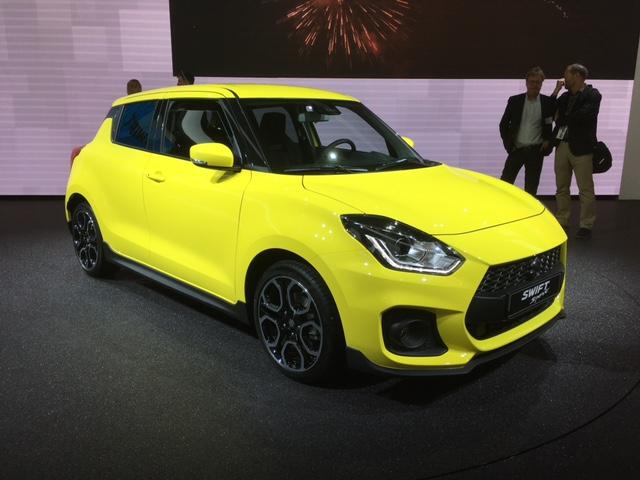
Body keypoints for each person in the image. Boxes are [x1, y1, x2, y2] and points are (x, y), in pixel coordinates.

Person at [553, 63, 601, 239]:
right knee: (561, 187)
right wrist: (556, 91)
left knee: (585, 189)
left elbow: (584, 116)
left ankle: (586, 224)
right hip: (562, 145)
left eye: (566, 74)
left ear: (577, 76)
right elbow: (551, 111)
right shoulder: (564, 96)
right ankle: (562, 219)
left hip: (582, 148)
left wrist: (563, 118)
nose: (564, 78)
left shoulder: (592, 94)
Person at [499, 67, 561, 196]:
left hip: (536, 152)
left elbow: (556, 124)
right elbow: (503, 124)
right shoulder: (515, 101)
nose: (534, 85)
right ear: (526, 83)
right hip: (516, 149)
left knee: (531, 187)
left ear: (541, 84)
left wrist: (549, 141)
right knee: (505, 184)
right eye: (532, 82)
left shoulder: (546, 103)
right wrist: (508, 144)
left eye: (538, 82)